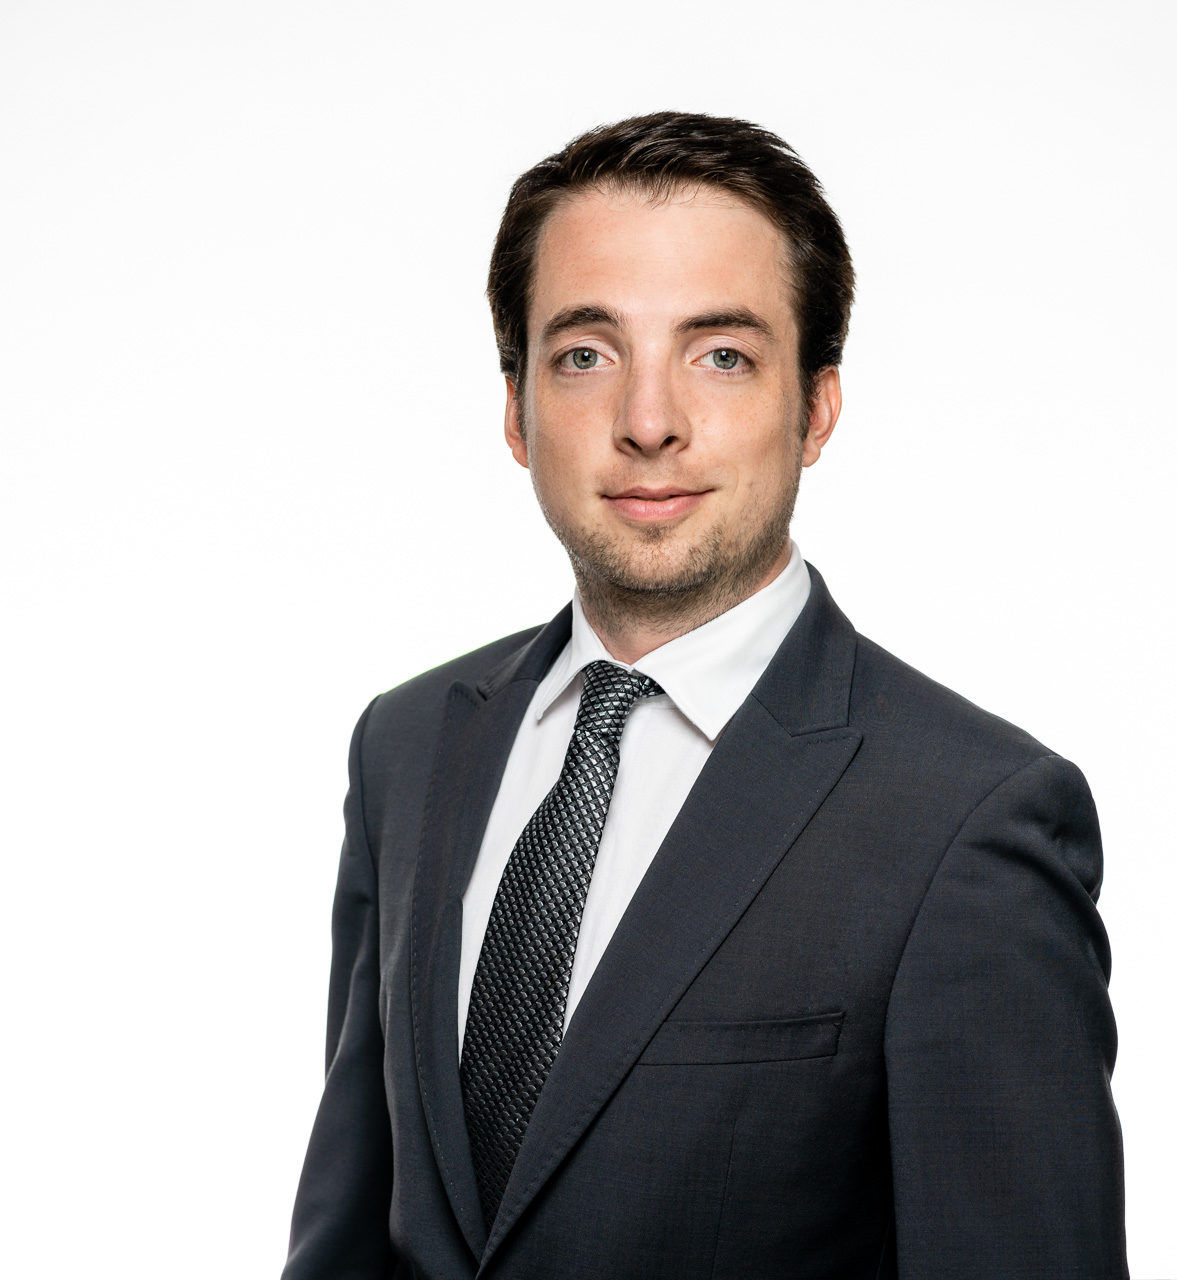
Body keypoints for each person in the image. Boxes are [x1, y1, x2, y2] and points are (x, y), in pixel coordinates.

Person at [282, 111, 1127, 1278]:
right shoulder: (410, 746)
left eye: (720, 354)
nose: (648, 423)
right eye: (587, 354)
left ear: (817, 408)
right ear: (517, 409)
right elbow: (350, 1235)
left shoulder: (966, 819)